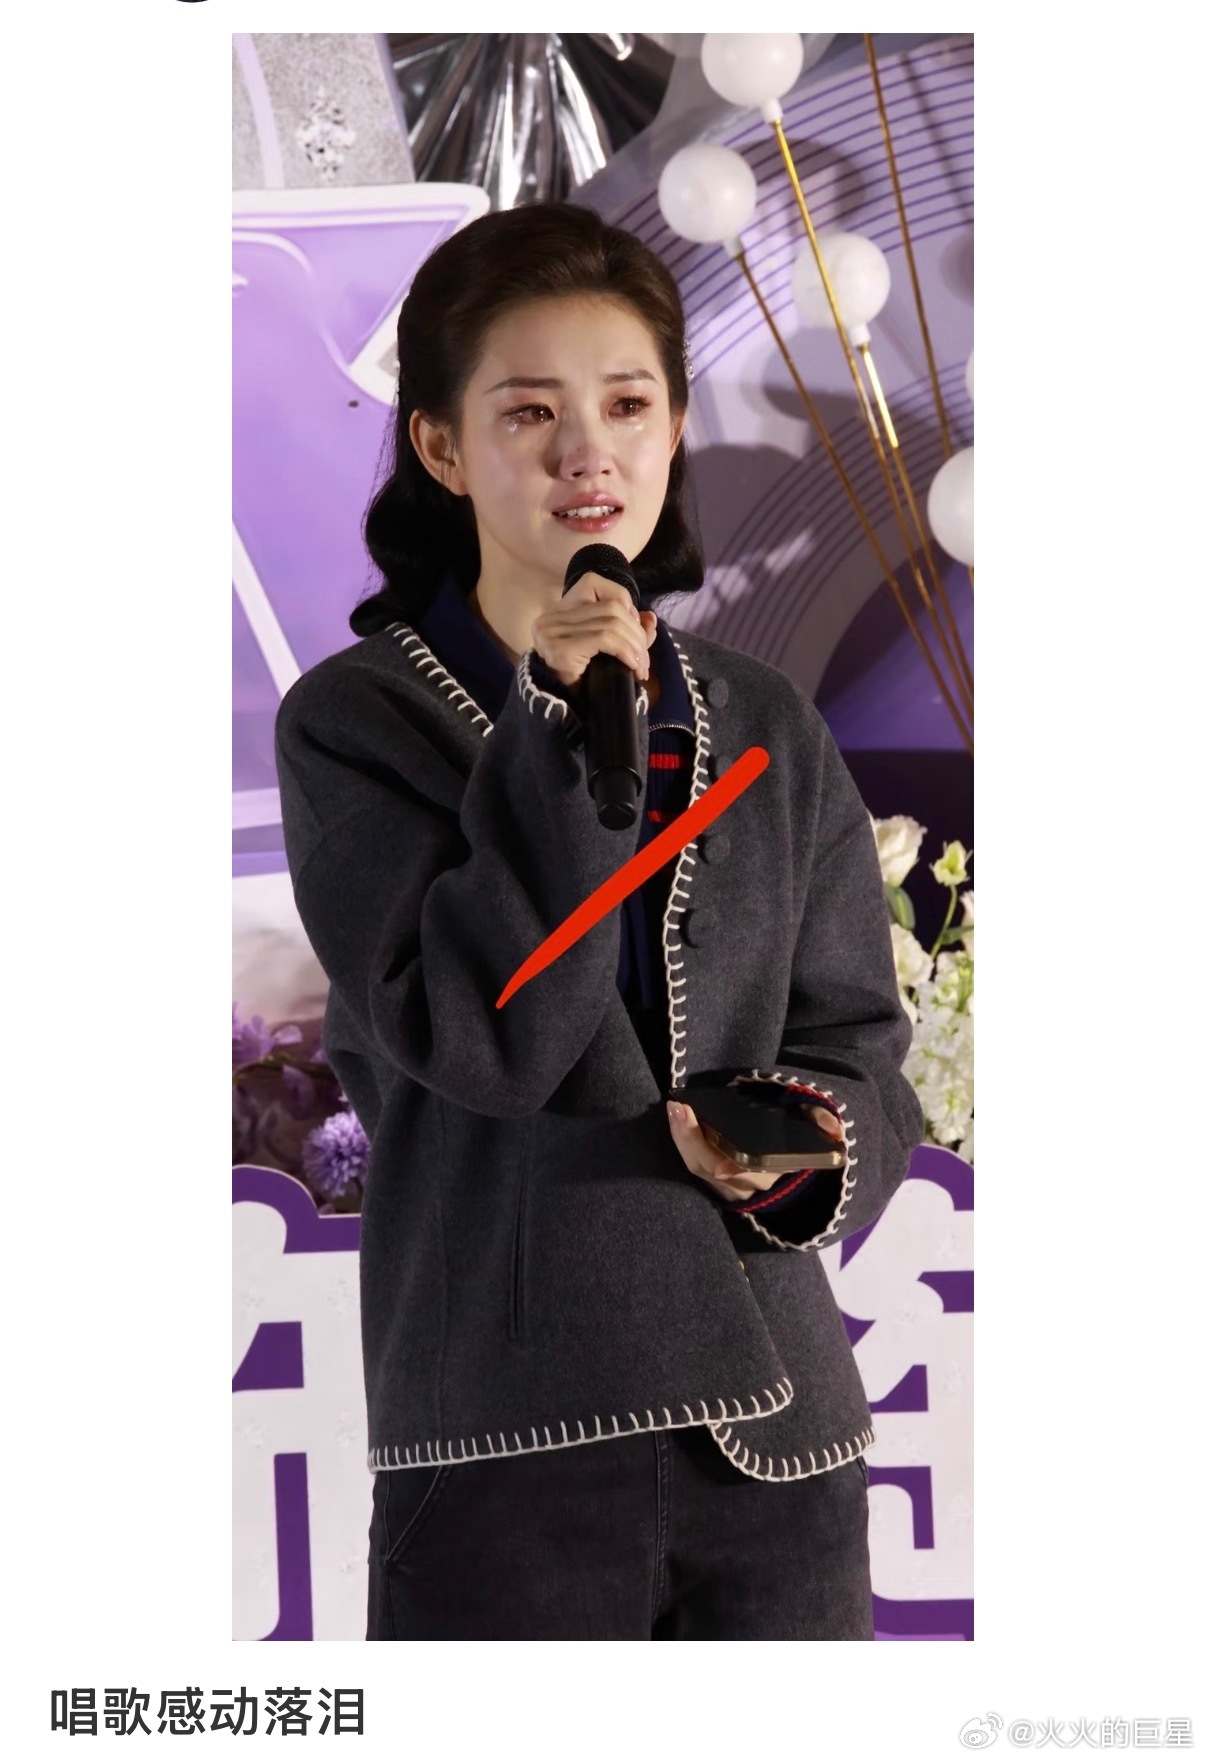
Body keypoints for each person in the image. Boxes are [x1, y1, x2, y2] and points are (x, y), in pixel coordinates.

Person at [275, 201, 925, 1641]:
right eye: (530, 412)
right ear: (441, 447)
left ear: (675, 428)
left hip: (779, 1444)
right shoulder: (355, 724)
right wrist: (561, 729)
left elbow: (862, 1049)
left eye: (627, 405)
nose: (589, 453)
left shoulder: (763, 718)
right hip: (506, 1436)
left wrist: (801, 1144)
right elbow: (483, 1037)